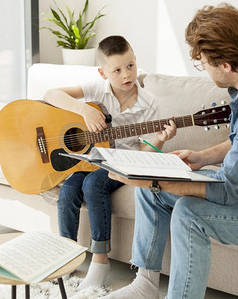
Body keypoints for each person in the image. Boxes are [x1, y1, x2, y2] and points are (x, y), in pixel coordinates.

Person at [103, 4, 238, 299]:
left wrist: (153, 179)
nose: (203, 68)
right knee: (150, 192)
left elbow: (227, 190)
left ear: (227, 65)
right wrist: (201, 157)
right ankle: (145, 286)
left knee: (188, 213)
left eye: (203, 61)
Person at [43, 35, 176, 290]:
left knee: (93, 184)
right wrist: (83, 110)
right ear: (103, 73)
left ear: (136, 60)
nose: (127, 74)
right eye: (117, 70)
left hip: (123, 162)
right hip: (89, 159)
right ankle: (65, 256)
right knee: (69, 190)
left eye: (130, 66)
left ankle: (100, 261)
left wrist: (159, 140)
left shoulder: (150, 104)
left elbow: (143, 153)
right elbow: (51, 94)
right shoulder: (96, 89)